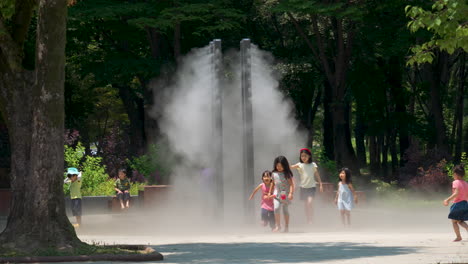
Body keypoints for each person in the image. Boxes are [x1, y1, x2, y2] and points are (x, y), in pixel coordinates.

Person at [290, 148, 323, 224]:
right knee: (306, 205)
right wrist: (284, 163)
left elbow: (317, 174)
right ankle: (308, 219)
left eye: (305, 156)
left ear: (309, 156)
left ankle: (311, 218)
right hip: (303, 187)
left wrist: (321, 184)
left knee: (310, 202)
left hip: (312, 187)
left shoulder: (313, 165)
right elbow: (290, 167)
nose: (303, 157)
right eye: (302, 156)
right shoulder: (299, 165)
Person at [269, 156, 294, 233]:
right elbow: (272, 183)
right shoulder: (273, 173)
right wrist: (270, 192)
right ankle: (278, 226)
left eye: (281, 166)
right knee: (276, 208)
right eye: (277, 166)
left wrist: (290, 193)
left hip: (284, 193)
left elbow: (291, 185)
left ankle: (286, 226)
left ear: (285, 165)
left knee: (285, 210)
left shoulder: (287, 174)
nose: (279, 168)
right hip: (276, 193)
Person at [443, 165, 468, 242]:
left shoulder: (455, 182)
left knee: (454, 221)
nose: (453, 175)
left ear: (456, 174)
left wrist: (447, 199)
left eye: (453, 174)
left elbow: (456, 193)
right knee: (460, 221)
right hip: (464, 203)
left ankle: (458, 237)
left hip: (458, 204)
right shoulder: (466, 183)